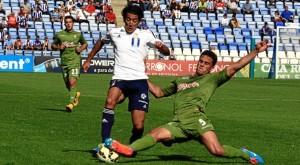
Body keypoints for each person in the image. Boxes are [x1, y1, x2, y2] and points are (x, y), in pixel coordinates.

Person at [104, 39, 270, 164]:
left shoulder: (212, 79)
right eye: (201, 61)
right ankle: (128, 149)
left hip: (197, 120)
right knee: (155, 133)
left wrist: (256, 51)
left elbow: (236, 66)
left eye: (206, 64)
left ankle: (245, 154)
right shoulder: (181, 79)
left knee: (217, 151)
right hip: (178, 123)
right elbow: (159, 92)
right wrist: (140, 76)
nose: (202, 65)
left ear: (211, 67)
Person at [82, 5, 170, 150]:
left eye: (134, 20)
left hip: (139, 81)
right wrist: (89, 59)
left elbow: (166, 52)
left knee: (138, 126)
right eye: (128, 20)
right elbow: (100, 42)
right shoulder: (115, 32)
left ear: (139, 21)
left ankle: (132, 146)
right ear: (124, 19)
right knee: (110, 101)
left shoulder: (146, 34)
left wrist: (161, 47)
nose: (130, 23)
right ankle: (105, 144)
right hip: (120, 78)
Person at [52, 15, 88, 112]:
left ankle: (70, 104)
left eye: (70, 22)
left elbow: (85, 43)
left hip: (74, 61)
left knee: (72, 82)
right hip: (64, 62)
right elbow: (53, 45)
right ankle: (75, 95)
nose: (68, 24)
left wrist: (80, 48)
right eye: (66, 22)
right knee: (68, 85)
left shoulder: (78, 34)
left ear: (73, 23)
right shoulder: (60, 34)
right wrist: (59, 47)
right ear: (64, 23)